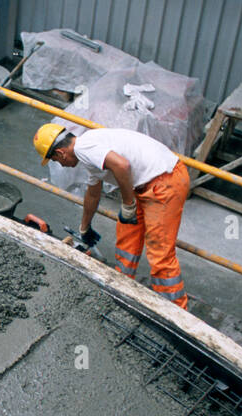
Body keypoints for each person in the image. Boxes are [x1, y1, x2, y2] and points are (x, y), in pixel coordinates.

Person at [34, 124, 190, 309]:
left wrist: (128, 204)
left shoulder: (84, 148)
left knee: (160, 252)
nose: (61, 164)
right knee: (127, 235)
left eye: (56, 160)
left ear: (60, 153)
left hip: (165, 181)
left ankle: (176, 313)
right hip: (146, 183)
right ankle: (123, 288)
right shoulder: (89, 150)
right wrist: (85, 227)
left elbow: (122, 165)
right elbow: (93, 193)